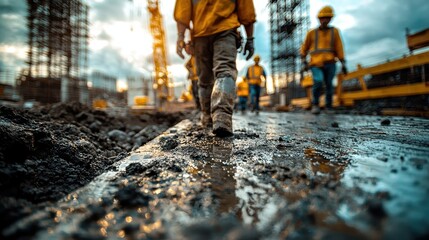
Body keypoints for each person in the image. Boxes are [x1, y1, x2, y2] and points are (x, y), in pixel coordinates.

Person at [174, 0, 256, 137]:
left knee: (204, 80)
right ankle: (222, 117)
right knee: (225, 72)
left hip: (200, 34)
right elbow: (247, 12)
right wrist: (250, 38)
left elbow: (182, 12)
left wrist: (180, 37)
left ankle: (208, 118)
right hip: (225, 30)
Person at [300, 5, 347, 114]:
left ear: (330, 18)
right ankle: (315, 104)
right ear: (319, 19)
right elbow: (304, 48)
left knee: (329, 84)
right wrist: (304, 61)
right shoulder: (311, 33)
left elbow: (339, 48)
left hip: (330, 63)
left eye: (327, 18)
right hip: (315, 63)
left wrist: (343, 63)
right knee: (318, 81)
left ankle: (328, 106)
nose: (324, 20)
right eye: (322, 18)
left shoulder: (334, 32)